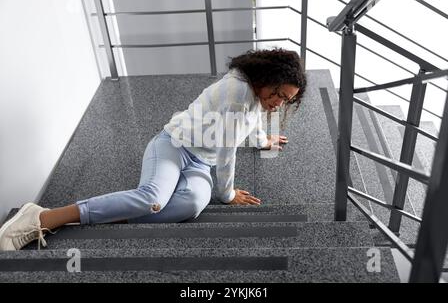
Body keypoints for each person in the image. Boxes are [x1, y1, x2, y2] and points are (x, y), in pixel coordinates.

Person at [0, 48, 307, 251]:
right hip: (173, 145)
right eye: (279, 93)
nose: (279, 102)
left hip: (199, 164)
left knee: (191, 206)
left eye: (286, 100)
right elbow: (228, 151)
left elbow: (249, 122)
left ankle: (116, 213)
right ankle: (42, 218)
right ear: (267, 78)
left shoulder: (253, 94)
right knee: (152, 199)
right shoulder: (238, 93)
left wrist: (263, 140)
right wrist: (227, 195)